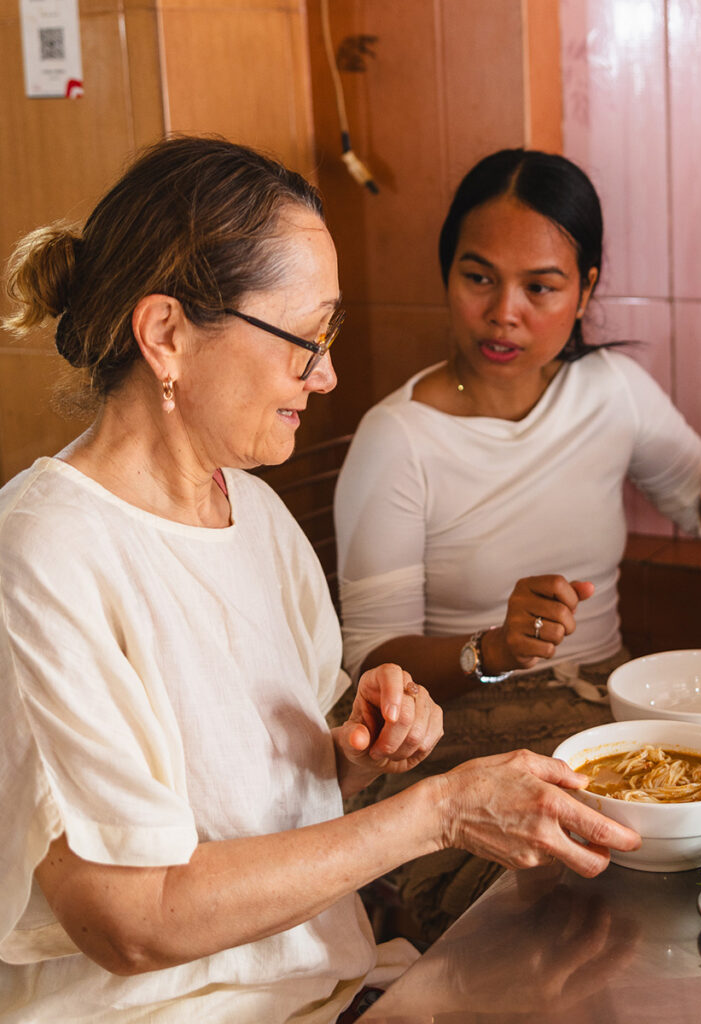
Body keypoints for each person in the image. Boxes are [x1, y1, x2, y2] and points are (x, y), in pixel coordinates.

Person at [0, 135, 641, 1024]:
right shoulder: (44, 554)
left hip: (321, 991)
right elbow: (133, 921)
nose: (329, 374)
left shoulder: (252, 513)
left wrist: (355, 751)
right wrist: (437, 811)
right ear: (166, 335)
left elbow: (287, 793)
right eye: (305, 340)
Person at [332, 147, 701, 942]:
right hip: (453, 746)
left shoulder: (611, 391)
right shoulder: (397, 439)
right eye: (478, 278)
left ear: (587, 291)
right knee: (560, 916)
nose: (505, 312)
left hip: (611, 721)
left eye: (540, 287)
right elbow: (373, 663)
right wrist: (492, 646)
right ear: (448, 277)